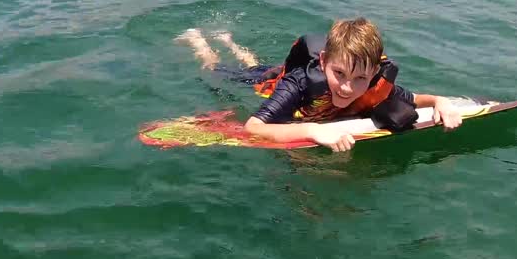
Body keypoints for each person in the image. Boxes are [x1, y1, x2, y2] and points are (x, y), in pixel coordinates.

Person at [176, 18, 463, 152]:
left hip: (281, 75)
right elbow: (253, 128)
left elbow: (414, 98)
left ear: (374, 72)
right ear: (323, 62)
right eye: (339, 74)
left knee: (253, 62)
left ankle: (228, 39)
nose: (348, 88)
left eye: (360, 78)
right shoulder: (300, 84)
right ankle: (199, 41)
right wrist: (314, 130)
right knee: (219, 69)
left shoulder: (374, 83)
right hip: (265, 84)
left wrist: (441, 102)